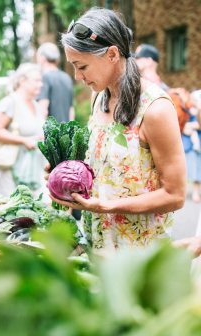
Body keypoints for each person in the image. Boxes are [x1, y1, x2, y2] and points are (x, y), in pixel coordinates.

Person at [45, 8, 186, 255]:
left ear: (112, 54)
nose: (78, 76)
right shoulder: (98, 96)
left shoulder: (156, 109)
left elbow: (175, 195)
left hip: (138, 256)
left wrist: (106, 206)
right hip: (95, 244)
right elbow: (105, 167)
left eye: (82, 66)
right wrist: (65, 173)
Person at [0, 63, 46, 198]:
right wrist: (23, 140)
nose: (41, 84)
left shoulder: (35, 103)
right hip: (11, 172)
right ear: (22, 81)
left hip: (31, 171)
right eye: (36, 81)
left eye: (41, 81)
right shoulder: (10, 101)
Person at [36, 42, 74, 122]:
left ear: (42, 58)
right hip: (65, 132)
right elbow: (71, 110)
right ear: (57, 60)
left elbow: (43, 110)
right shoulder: (67, 77)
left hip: (52, 133)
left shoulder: (43, 78)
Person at [181, 90, 201, 202]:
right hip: (188, 143)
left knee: (197, 168)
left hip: (196, 144)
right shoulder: (187, 110)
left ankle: (195, 193)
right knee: (186, 168)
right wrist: (186, 127)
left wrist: (191, 125)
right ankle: (181, 193)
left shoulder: (197, 111)